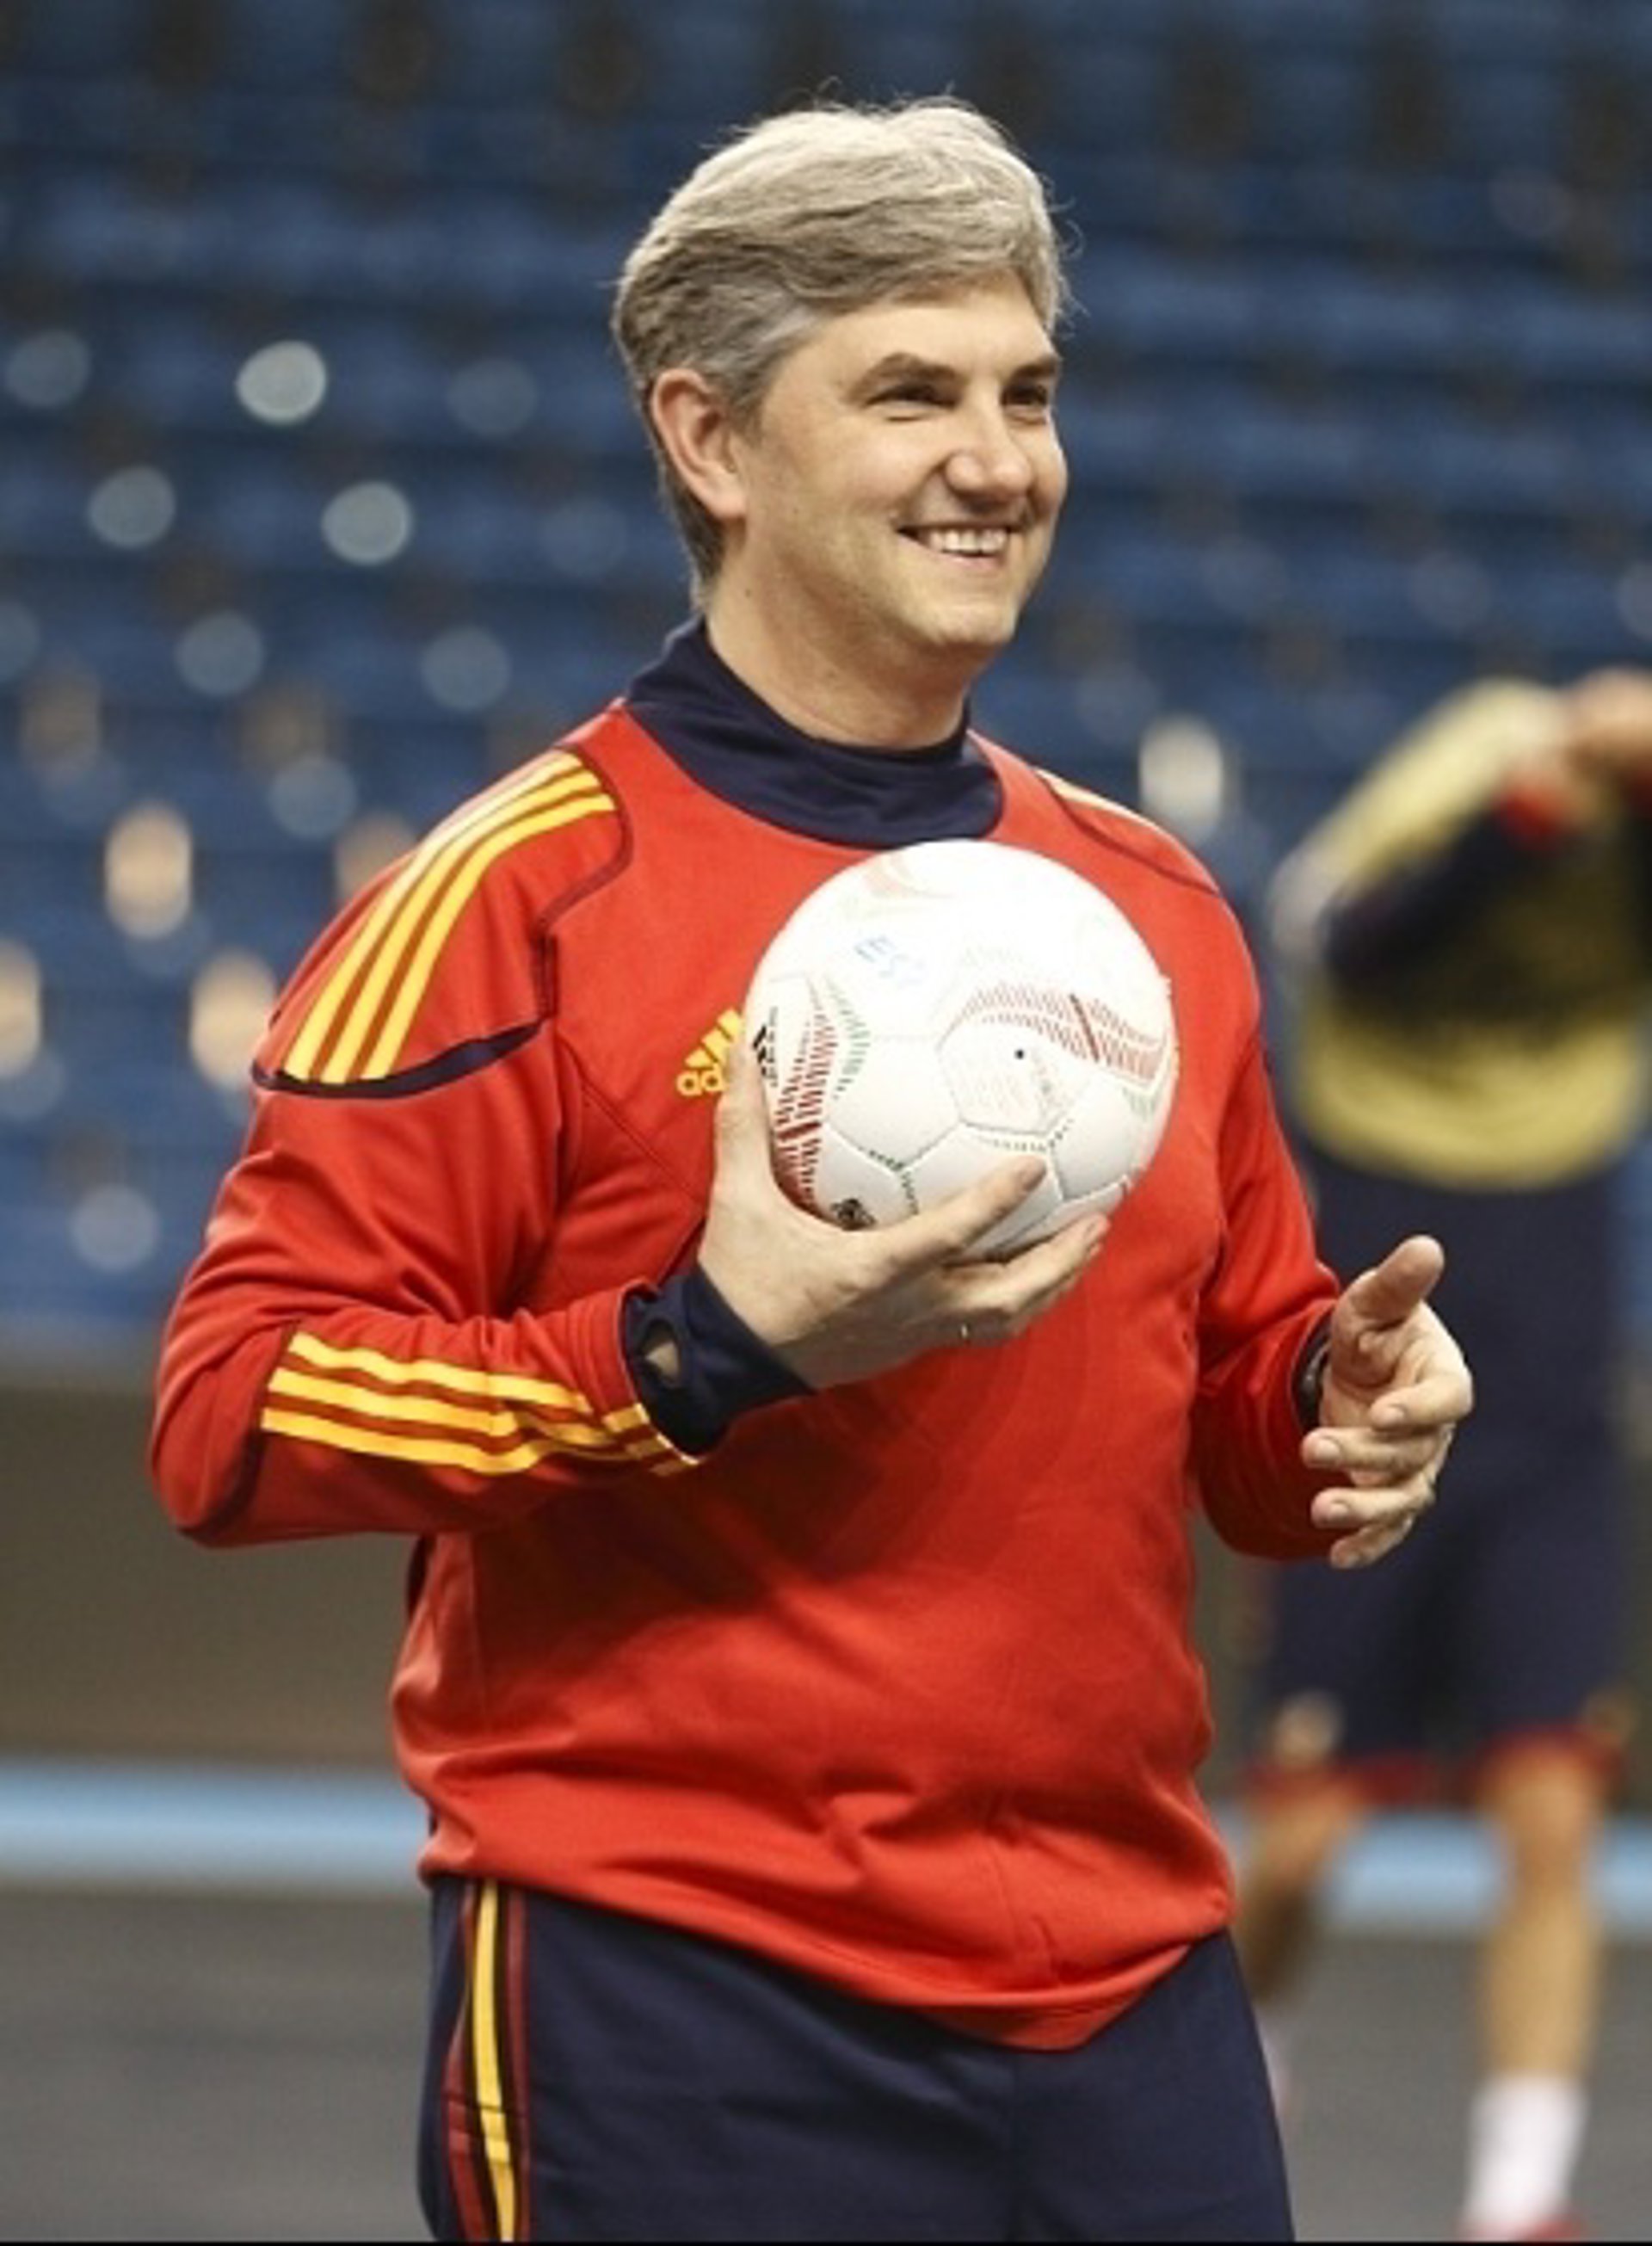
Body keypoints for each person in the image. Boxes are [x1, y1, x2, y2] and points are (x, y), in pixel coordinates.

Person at [149, 97, 1471, 2244]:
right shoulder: (509, 904)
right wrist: (694, 1353)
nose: (999, 460)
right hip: (669, 1993)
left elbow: (1235, 1418)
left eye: (1028, 393)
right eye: (913, 393)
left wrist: (1335, 1398)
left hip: (1132, 1995)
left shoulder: (1152, 911)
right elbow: (232, 1417)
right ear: (713, 441)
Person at [1233, 669, 1651, 2243]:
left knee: (1554, 1811)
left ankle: (1518, 2199)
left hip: (1548, 1422)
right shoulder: (1441, 825)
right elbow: (1363, 938)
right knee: (1302, 1837)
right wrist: (1532, 810)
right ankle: (1242, 2076)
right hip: (1375, 1401)